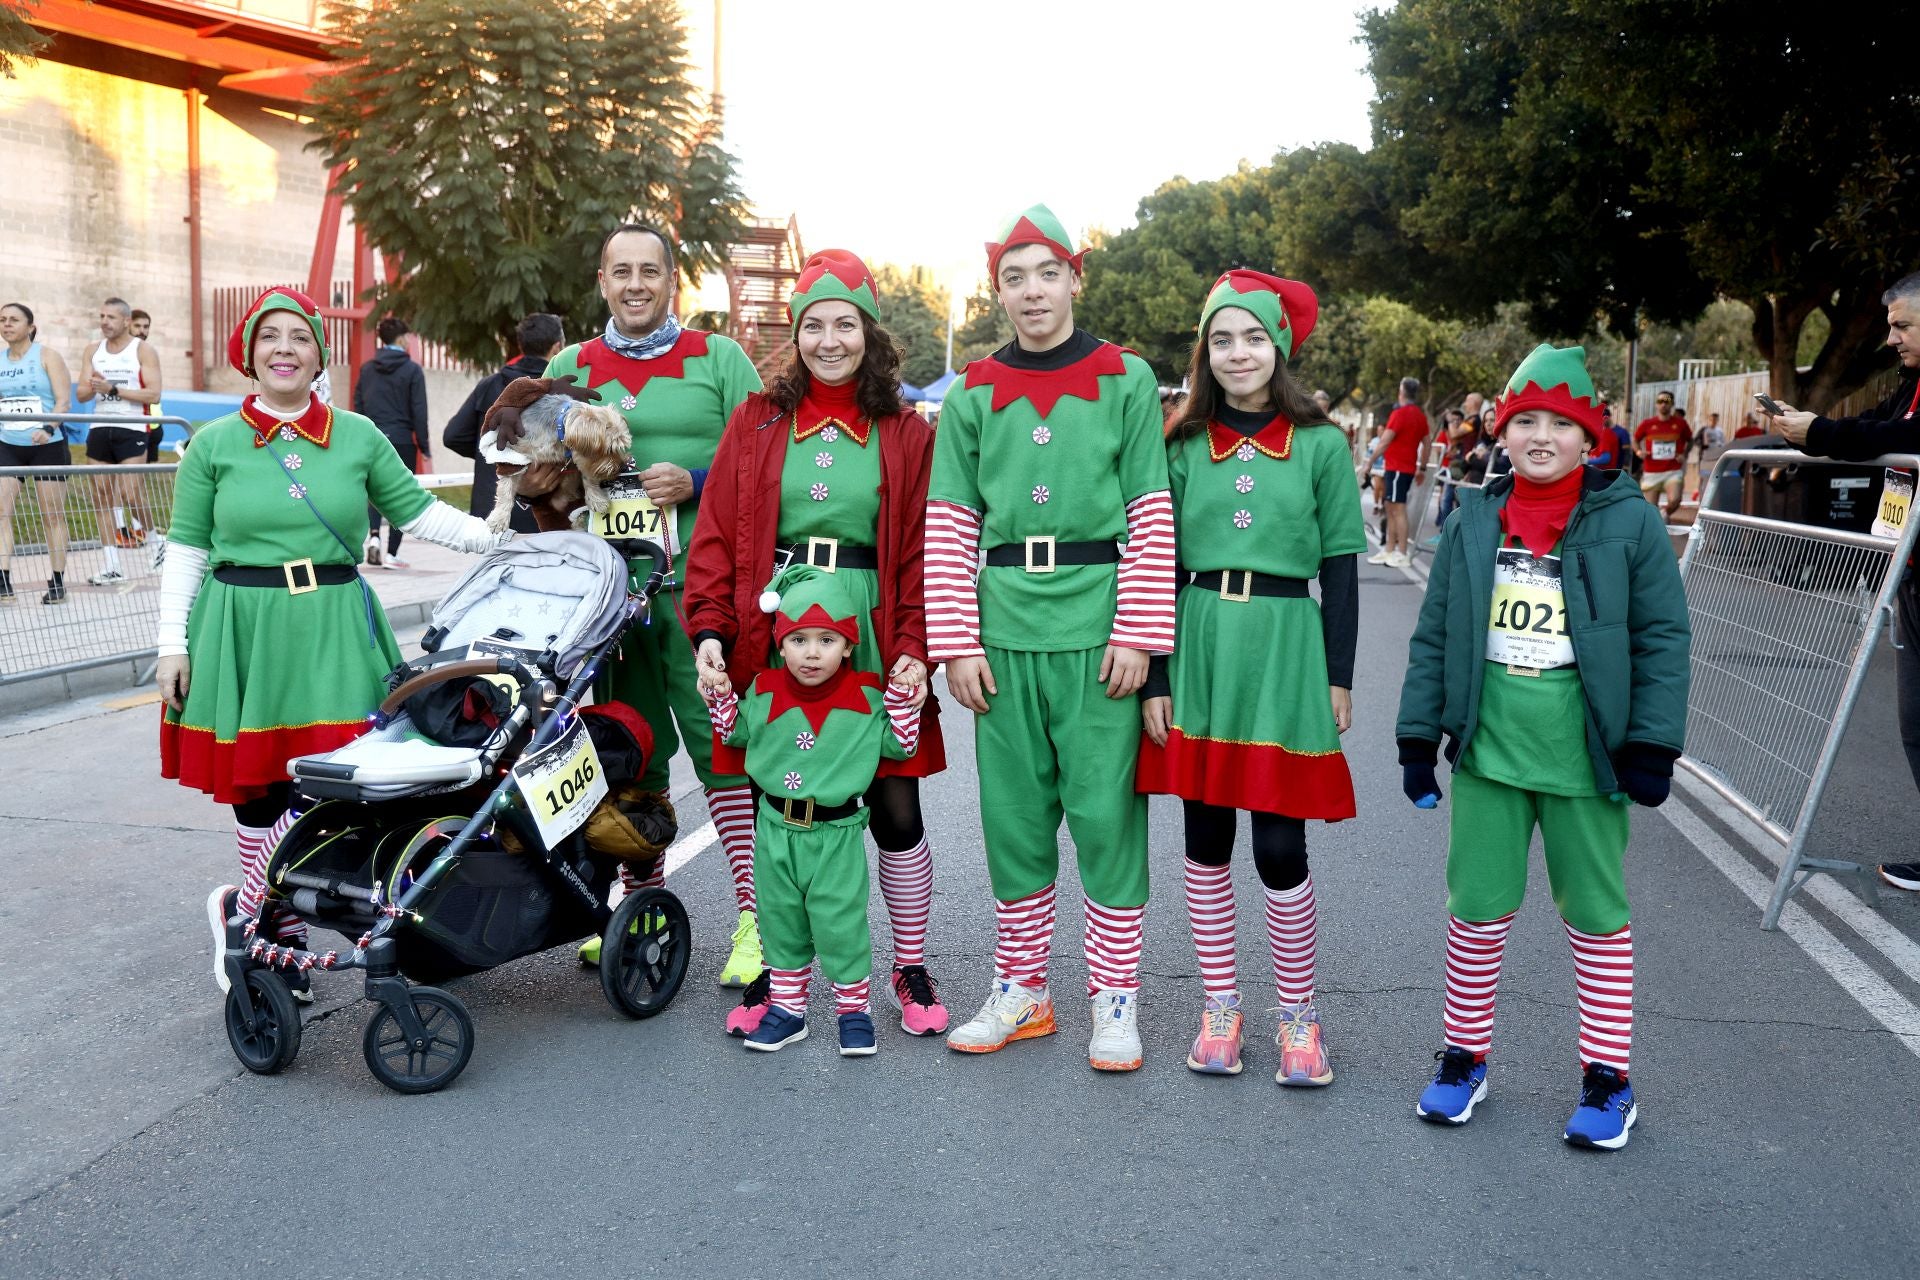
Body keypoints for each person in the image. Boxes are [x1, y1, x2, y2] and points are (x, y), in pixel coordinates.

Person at [155, 288, 503, 1001]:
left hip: (337, 625)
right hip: (240, 625)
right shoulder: (213, 445)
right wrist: (171, 644)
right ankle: (271, 925)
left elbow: (418, 513)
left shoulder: (357, 436)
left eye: (300, 338)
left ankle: (249, 906)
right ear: (249, 355)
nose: (285, 348)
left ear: (319, 354)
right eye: (270, 337)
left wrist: (498, 537)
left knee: (341, 781)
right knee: (257, 788)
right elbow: (187, 548)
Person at [1397, 343, 1689, 1151]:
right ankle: (1464, 1059)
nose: (1540, 435)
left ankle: (1608, 1079)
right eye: (1525, 420)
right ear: (1501, 429)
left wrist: (1654, 745)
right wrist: (1418, 737)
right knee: (1477, 913)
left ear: (1589, 435)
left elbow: (1663, 635)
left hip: (1586, 755)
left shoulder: (1628, 518)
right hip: (1491, 751)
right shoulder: (1474, 516)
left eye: (1560, 423)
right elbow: (1437, 634)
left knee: (1596, 918)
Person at [925, 204, 1176, 1072]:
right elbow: (951, 519)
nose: (1031, 292)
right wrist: (957, 639)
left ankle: (1115, 997)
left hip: (1099, 624)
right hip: (1003, 628)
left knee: (1107, 817)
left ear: (1076, 277)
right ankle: (1023, 988)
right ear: (998, 292)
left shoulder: (1125, 379)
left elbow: (1150, 509)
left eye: (1046, 273)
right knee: (1014, 820)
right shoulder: (974, 390)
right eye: (1012, 278)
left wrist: (1141, 633)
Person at [685, 250, 951, 1038]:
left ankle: (907, 963)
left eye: (845, 324)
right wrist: (708, 630)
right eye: (813, 325)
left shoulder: (904, 430)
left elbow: (920, 549)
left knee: (895, 807)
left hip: (873, 626)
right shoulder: (757, 421)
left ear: (869, 333)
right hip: (779, 630)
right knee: (782, 805)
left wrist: (915, 648)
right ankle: (786, 967)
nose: (828, 340)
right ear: (794, 333)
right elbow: (718, 540)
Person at [1135, 270, 1364, 1083]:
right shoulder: (1180, 444)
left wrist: (1339, 675)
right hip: (1197, 639)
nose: (1238, 354)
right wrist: (1156, 676)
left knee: (1278, 842)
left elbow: (1340, 566)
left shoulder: (1323, 444)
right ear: (1205, 352)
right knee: (1205, 838)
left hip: (1286, 645)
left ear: (1280, 347)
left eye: (1254, 337)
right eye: (1222, 339)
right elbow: (1158, 566)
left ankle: (1300, 1018)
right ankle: (1219, 1008)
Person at [542, 223, 764, 983]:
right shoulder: (572, 365)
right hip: (614, 611)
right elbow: (542, 474)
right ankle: (638, 910)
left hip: (700, 604)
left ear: (672, 281)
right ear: (602, 281)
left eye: (650, 271)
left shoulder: (717, 358)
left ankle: (756, 922)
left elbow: (768, 458)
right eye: (620, 271)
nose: (636, 284)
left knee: (726, 758)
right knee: (628, 759)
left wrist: (698, 480)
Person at [700, 564, 925, 1055]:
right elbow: (735, 734)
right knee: (780, 920)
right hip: (776, 828)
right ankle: (788, 1010)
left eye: (827, 639)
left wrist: (905, 701)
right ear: (780, 645)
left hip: (836, 833)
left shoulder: (867, 697)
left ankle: (853, 1009)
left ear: (849, 646)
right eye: (799, 639)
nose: (812, 652)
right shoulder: (763, 690)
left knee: (840, 920)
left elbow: (901, 746)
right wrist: (719, 698)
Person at [1766, 270, 1920, 893]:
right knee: (1915, 725)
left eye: (1902, 325)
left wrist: (1822, 434)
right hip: (1909, 574)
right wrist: (1811, 432)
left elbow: (1901, 439)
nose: (1891, 339)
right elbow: (1875, 431)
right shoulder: (1911, 385)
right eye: (1889, 326)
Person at [442, 313, 561, 534]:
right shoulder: (560, 393)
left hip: (490, 510)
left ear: (520, 345)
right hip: (545, 515)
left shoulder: (491, 385)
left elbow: (453, 436)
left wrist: (493, 454)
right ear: (557, 347)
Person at [78, 297, 164, 585]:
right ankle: (112, 564)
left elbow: (153, 394)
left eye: (111, 317)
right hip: (101, 427)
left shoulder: (143, 350)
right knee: (102, 495)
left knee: (130, 493)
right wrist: (93, 386)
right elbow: (81, 395)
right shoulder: (93, 350)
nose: (104, 322)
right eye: (101, 316)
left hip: (133, 427)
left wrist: (113, 388)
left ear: (126, 321)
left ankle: (155, 542)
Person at [0, 303, 74, 604]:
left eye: (14, 320)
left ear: (30, 326)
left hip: (47, 445)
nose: (6, 324)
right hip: (8, 444)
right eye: (2, 320)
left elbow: (64, 401)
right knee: (1, 512)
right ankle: (3, 580)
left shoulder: (47, 356)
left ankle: (57, 581)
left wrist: (48, 426)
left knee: (52, 515)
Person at [354, 316, 431, 568]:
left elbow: (358, 405)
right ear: (401, 338)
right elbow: (419, 410)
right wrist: (424, 444)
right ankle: (392, 553)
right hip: (401, 440)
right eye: (408, 336)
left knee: (374, 491)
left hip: (371, 438)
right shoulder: (412, 370)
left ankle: (374, 538)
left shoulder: (367, 369)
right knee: (399, 494)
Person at [1358, 377, 1429, 566]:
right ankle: (1390, 549)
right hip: (1401, 468)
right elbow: (1427, 443)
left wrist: (1369, 462)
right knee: (1390, 508)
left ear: (1402, 392)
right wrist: (1422, 467)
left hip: (1398, 468)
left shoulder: (1400, 414)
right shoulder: (1420, 415)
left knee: (1397, 509)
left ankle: (1402, 553)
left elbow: (1385, 440)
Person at [1633, 391, 1691, 520]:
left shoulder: (1680, 424)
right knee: (1650, 510)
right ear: (1656, 405)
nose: (1663, 404)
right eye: (1660, 401)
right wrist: (1638, 451)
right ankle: (1657, 527)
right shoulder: (1647, 424)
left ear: (1672, 404)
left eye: (1667, 401)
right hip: (1651, 471)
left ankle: (1665, 513)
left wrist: (1684, 454)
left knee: (1675, 499)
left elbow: (1690, 440)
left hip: (1673, 470)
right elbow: (1635, 439)